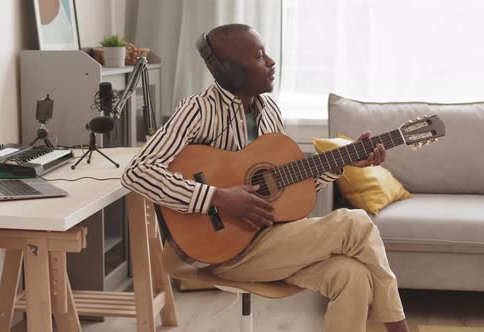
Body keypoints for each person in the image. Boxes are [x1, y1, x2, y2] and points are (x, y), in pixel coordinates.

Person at [121, 24, 409, 332]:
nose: (271, 62)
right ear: (229, 70)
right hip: (226, 251)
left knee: (353, 276)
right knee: (356, 223)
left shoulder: (269, 110)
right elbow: (137, 172)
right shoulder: (198, 110)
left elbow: (288, 189)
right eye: (259, 56)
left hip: (276, 241)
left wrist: (345, 162)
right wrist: (218, 197)